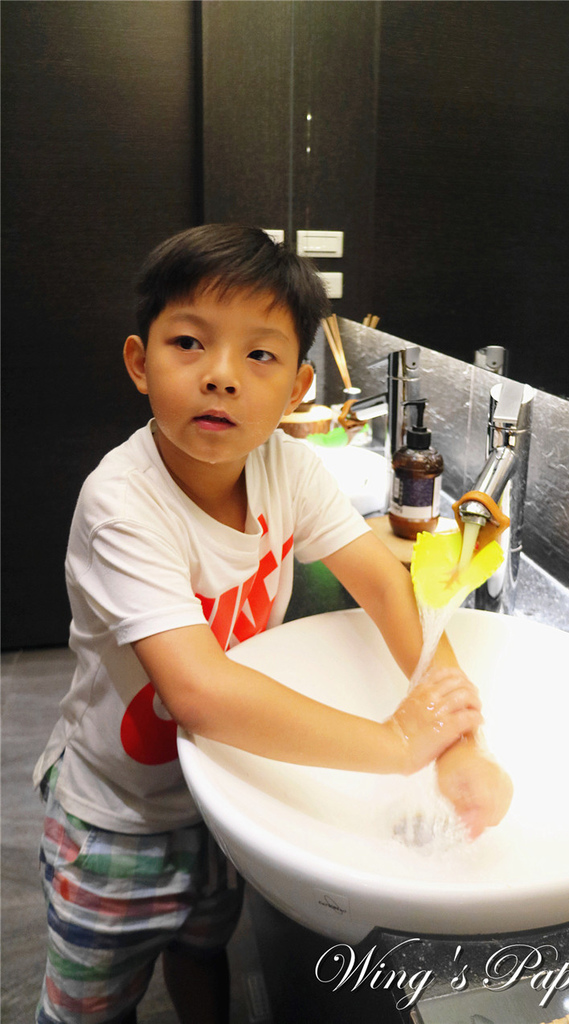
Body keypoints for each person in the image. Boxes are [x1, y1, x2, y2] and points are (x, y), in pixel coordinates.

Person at [34, 224, 512, 1024]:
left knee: (203, 950)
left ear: (296, 389)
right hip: (119, 818)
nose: (221, 375)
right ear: (139, 363)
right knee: (89, 1004)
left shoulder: (287, 467)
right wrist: (397, 744)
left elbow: (383, 584)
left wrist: (456, 738)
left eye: (258, 354)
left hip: (227, 785)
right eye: (189, 343)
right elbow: (198, 692)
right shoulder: (122, 503)